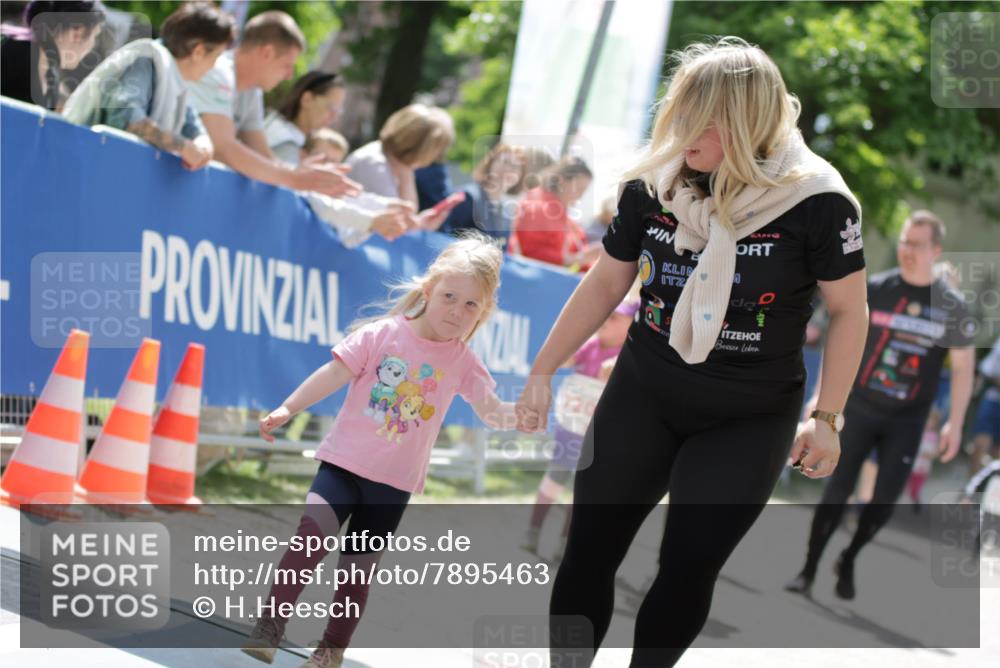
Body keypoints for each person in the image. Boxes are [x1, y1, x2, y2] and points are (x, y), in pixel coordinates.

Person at [514, 37, 869, 667]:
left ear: (742, 122)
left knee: (685, 569)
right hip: (645, 390)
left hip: (748, 414)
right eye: (676, 112)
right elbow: (605, 280)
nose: (678, 131)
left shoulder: (816, 199)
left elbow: (848, 310)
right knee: (588, 553)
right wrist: (544, 368)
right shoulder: (652, 182)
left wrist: (829, 416)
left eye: (697, 118)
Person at [242, 233, 517, 668]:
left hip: (392, 486)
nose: (457, 311)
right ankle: (269, 628)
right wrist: (288, 407)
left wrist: (521, 417)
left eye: (471, 305)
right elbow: (333, 372)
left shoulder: (464, 362)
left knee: (355, 574)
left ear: (483, 312)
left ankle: (330, 651)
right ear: (428, 291)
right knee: (308, 542)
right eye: (449, 296)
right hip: (343, 466)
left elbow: (491, 411)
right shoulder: (383, 334)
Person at [785, 209, 976, 600]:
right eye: (904, 241)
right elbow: (841, 342)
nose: (907, 250)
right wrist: (821, 399)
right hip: (859, 409)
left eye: (917, 244)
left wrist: (954, 424)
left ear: (936, 250)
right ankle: (808, 569)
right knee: (835, 491)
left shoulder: (952, 308)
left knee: (883, 504)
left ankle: (850, 556)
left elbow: (961, 369)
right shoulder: (877, 288)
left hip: (907, 421)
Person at [186, 10, 357, 198]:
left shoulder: (252, 91)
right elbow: (223, 148)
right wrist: (295, 178)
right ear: (266, 53)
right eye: (287, 65)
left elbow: (262, 154)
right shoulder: (218, 71)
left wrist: (300, 174)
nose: (290, 75)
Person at [521, 298, 638, 561]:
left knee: (582, 491)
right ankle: (532, 531)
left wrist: (617, 373)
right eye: (606, 314)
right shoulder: (591, 345)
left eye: (616, 317)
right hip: (570, 428)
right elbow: (566, 359)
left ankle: (565, 543)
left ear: (632, 324)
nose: (607, 320)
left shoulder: (627, 356)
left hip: (598, 437)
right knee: (554, 479)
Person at [62, 2, 234, 170]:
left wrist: (203, 145)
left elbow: (194, 128)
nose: (213, 66)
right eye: (216, 56)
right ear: (198, 51)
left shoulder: (177, 81)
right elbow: (126, 118)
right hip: (74, 164)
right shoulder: (145, 59)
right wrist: (182, 146)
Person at [345, 103, 455, 228]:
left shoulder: (398, 165)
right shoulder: (375, 164)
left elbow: (404, 219)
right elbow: (393, 226)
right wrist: (418, 226)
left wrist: (420, 223)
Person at [0, 0, 105, 110]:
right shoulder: (14, 55)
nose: (92, 46)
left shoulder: (49, 73)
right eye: (95, 36)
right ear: (78, 33)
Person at [508, 156, 595, 271]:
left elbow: (578, 249)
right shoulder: (538, 206)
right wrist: (576, 259)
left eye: (583, 191)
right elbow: (530, 254)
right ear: (561, 181)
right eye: (579, 189)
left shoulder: (563, 216)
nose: (580, 196)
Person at [439, 142, 527, 246]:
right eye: (505, 162)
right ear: (490, 163)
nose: (509, 169)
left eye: (516, 167)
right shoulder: (467, 198)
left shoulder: (506, 212)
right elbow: (444, 238)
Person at [264, 70, 345, 165]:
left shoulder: (284, 130)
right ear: (307, 99)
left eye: (338, 111)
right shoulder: (285, 141)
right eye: (331, 108)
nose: (334, 117)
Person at [970, 336, 1000, 476]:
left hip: (993, 396)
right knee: (981, 441)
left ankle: (991, 486)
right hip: (993, 397)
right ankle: (972, 486)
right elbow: (988, 369)